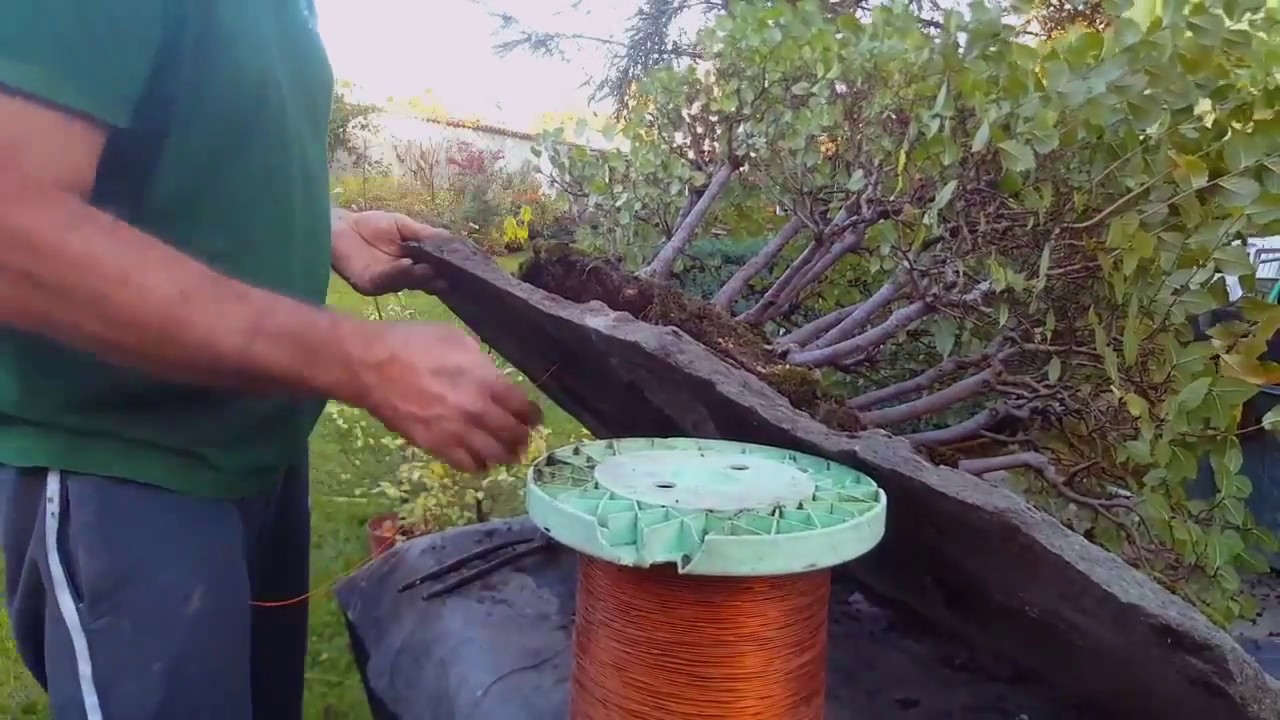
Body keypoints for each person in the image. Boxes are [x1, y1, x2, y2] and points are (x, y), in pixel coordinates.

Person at [0, 2, 542, 719]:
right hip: (129, 470)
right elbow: (17, 233)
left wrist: (327, 225)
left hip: (260, 457)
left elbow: (190, 151)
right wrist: (356, 357)